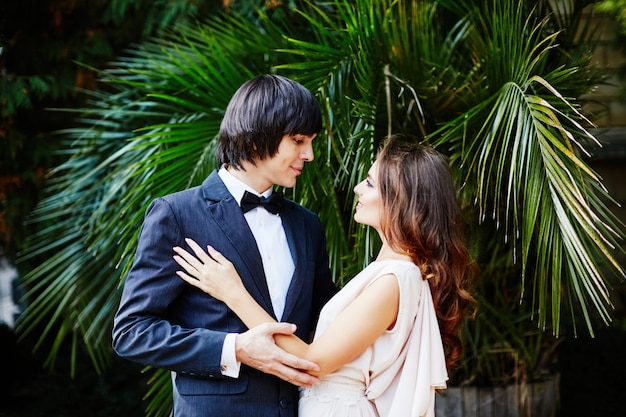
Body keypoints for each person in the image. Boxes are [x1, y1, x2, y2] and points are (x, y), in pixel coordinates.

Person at [173, 136, 476, 417]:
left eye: (370, 184)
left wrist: (233, 293)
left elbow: (313, 360)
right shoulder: (392, 273)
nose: (357, 188)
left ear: (401, 199)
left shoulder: (395, 279)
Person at [112, 74, 338, 417]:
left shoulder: (307, 224)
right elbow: (132, 331)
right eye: (298, 140)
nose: (308, 154)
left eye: (311, 141)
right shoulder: (177, 214)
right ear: (257, 136)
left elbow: (326, 323)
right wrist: (234, 349)